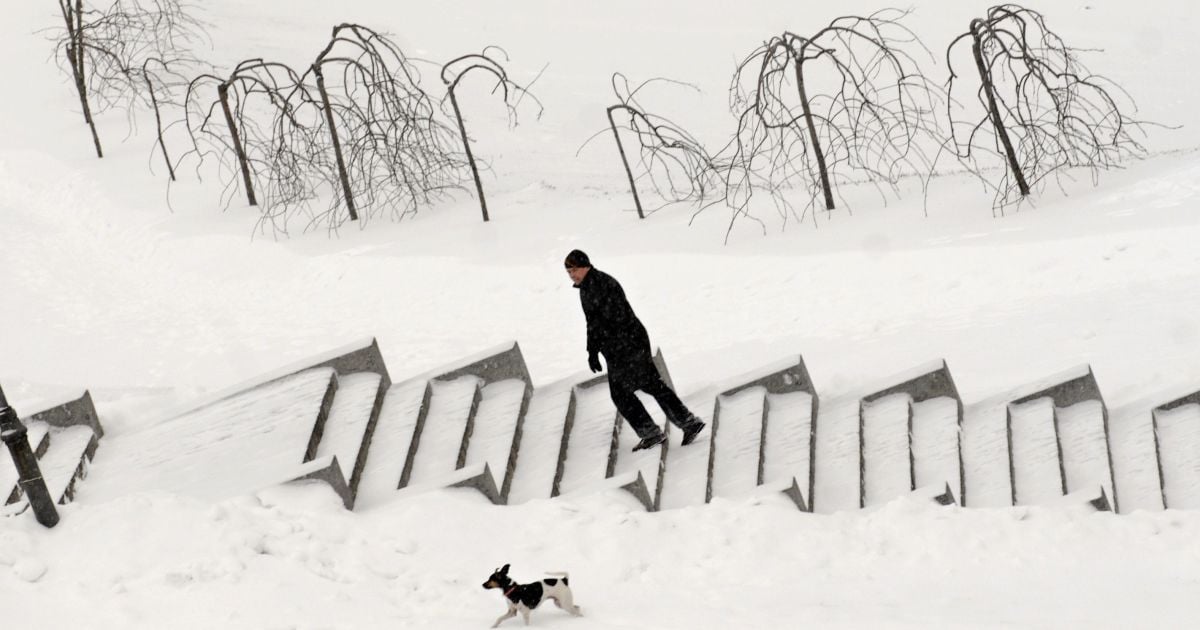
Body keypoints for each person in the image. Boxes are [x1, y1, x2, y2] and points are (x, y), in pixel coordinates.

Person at [565, 249, 706, 451]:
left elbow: (613, 320)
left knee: (628, 391)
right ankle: (685, 424)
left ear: (585, 266)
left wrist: (611, 349)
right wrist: (592, 352)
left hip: (628, 345)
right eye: (569, 272)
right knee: (648, 386)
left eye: (574, 270)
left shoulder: (603, 284)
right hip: (621, 347)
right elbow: (592, 324)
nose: (572, 276)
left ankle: (660, 430)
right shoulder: (588, 288)